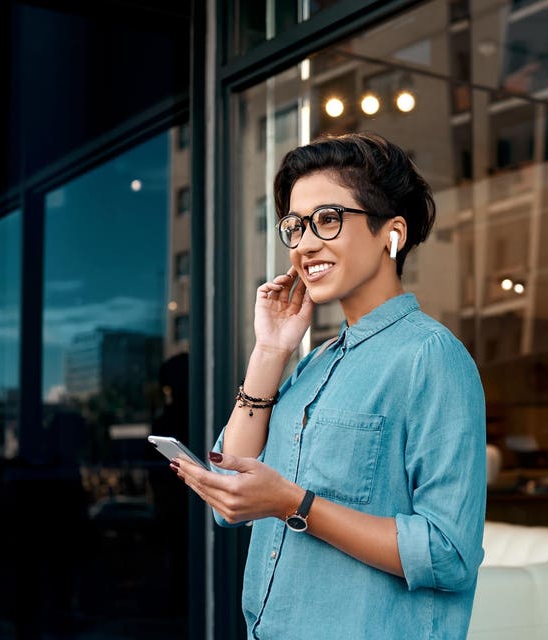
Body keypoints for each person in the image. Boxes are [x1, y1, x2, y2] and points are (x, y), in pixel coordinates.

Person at [170, 132, 486, 639]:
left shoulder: (430, 357)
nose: (305, 244)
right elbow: (231, 490)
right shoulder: (313, 364)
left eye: (328, 219)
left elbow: (448, 554)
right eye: (295, 226)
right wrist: (269, 352)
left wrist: (294, 504)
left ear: (391, 233)